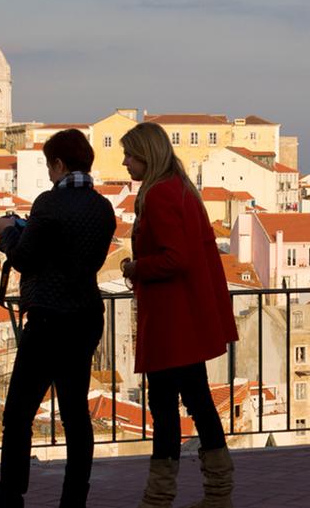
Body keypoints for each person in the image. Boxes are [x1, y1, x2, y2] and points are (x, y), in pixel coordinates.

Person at [0, 129, 117, 508]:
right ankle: (74, 499)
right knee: (75, 415)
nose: (49, 174)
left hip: (48, 319)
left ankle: (11, 496)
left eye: (50, 166)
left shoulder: (48, 203)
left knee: (18, 414)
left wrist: (6, 234)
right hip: (85, 317)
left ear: (59, 164)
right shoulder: (103, 208)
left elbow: (25, 258)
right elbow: (80, 257)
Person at [120, 122, 239, 508]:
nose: (124, 163)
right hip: (187, 316)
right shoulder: (182, 188)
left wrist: (137, 268)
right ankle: (218, 493)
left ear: (146, 156)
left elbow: (175, 257)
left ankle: (159, 498)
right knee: (199, 402)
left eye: (130, 155)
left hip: (171, 321)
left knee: (166, 408)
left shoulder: (158, 195)